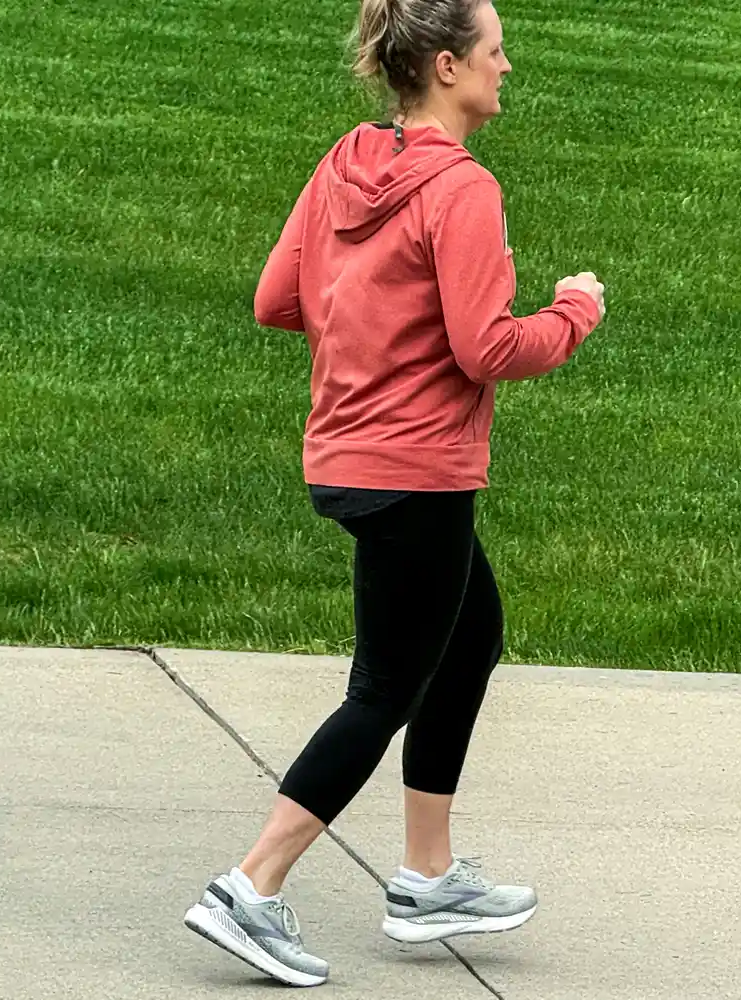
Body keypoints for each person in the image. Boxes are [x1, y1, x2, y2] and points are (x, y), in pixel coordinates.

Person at [180, 0, 606, 987]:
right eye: (496, 51)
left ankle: (425, 875)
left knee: (472, 633)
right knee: (383, 692)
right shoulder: (463, 190)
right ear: (448, 66)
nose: (508, 66)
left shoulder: (346, 159)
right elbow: (486, 347)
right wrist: (574, 311)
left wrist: (371, 330)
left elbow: (277, 299)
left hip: (347, 454)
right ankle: (250, 886)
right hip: (416, 471)